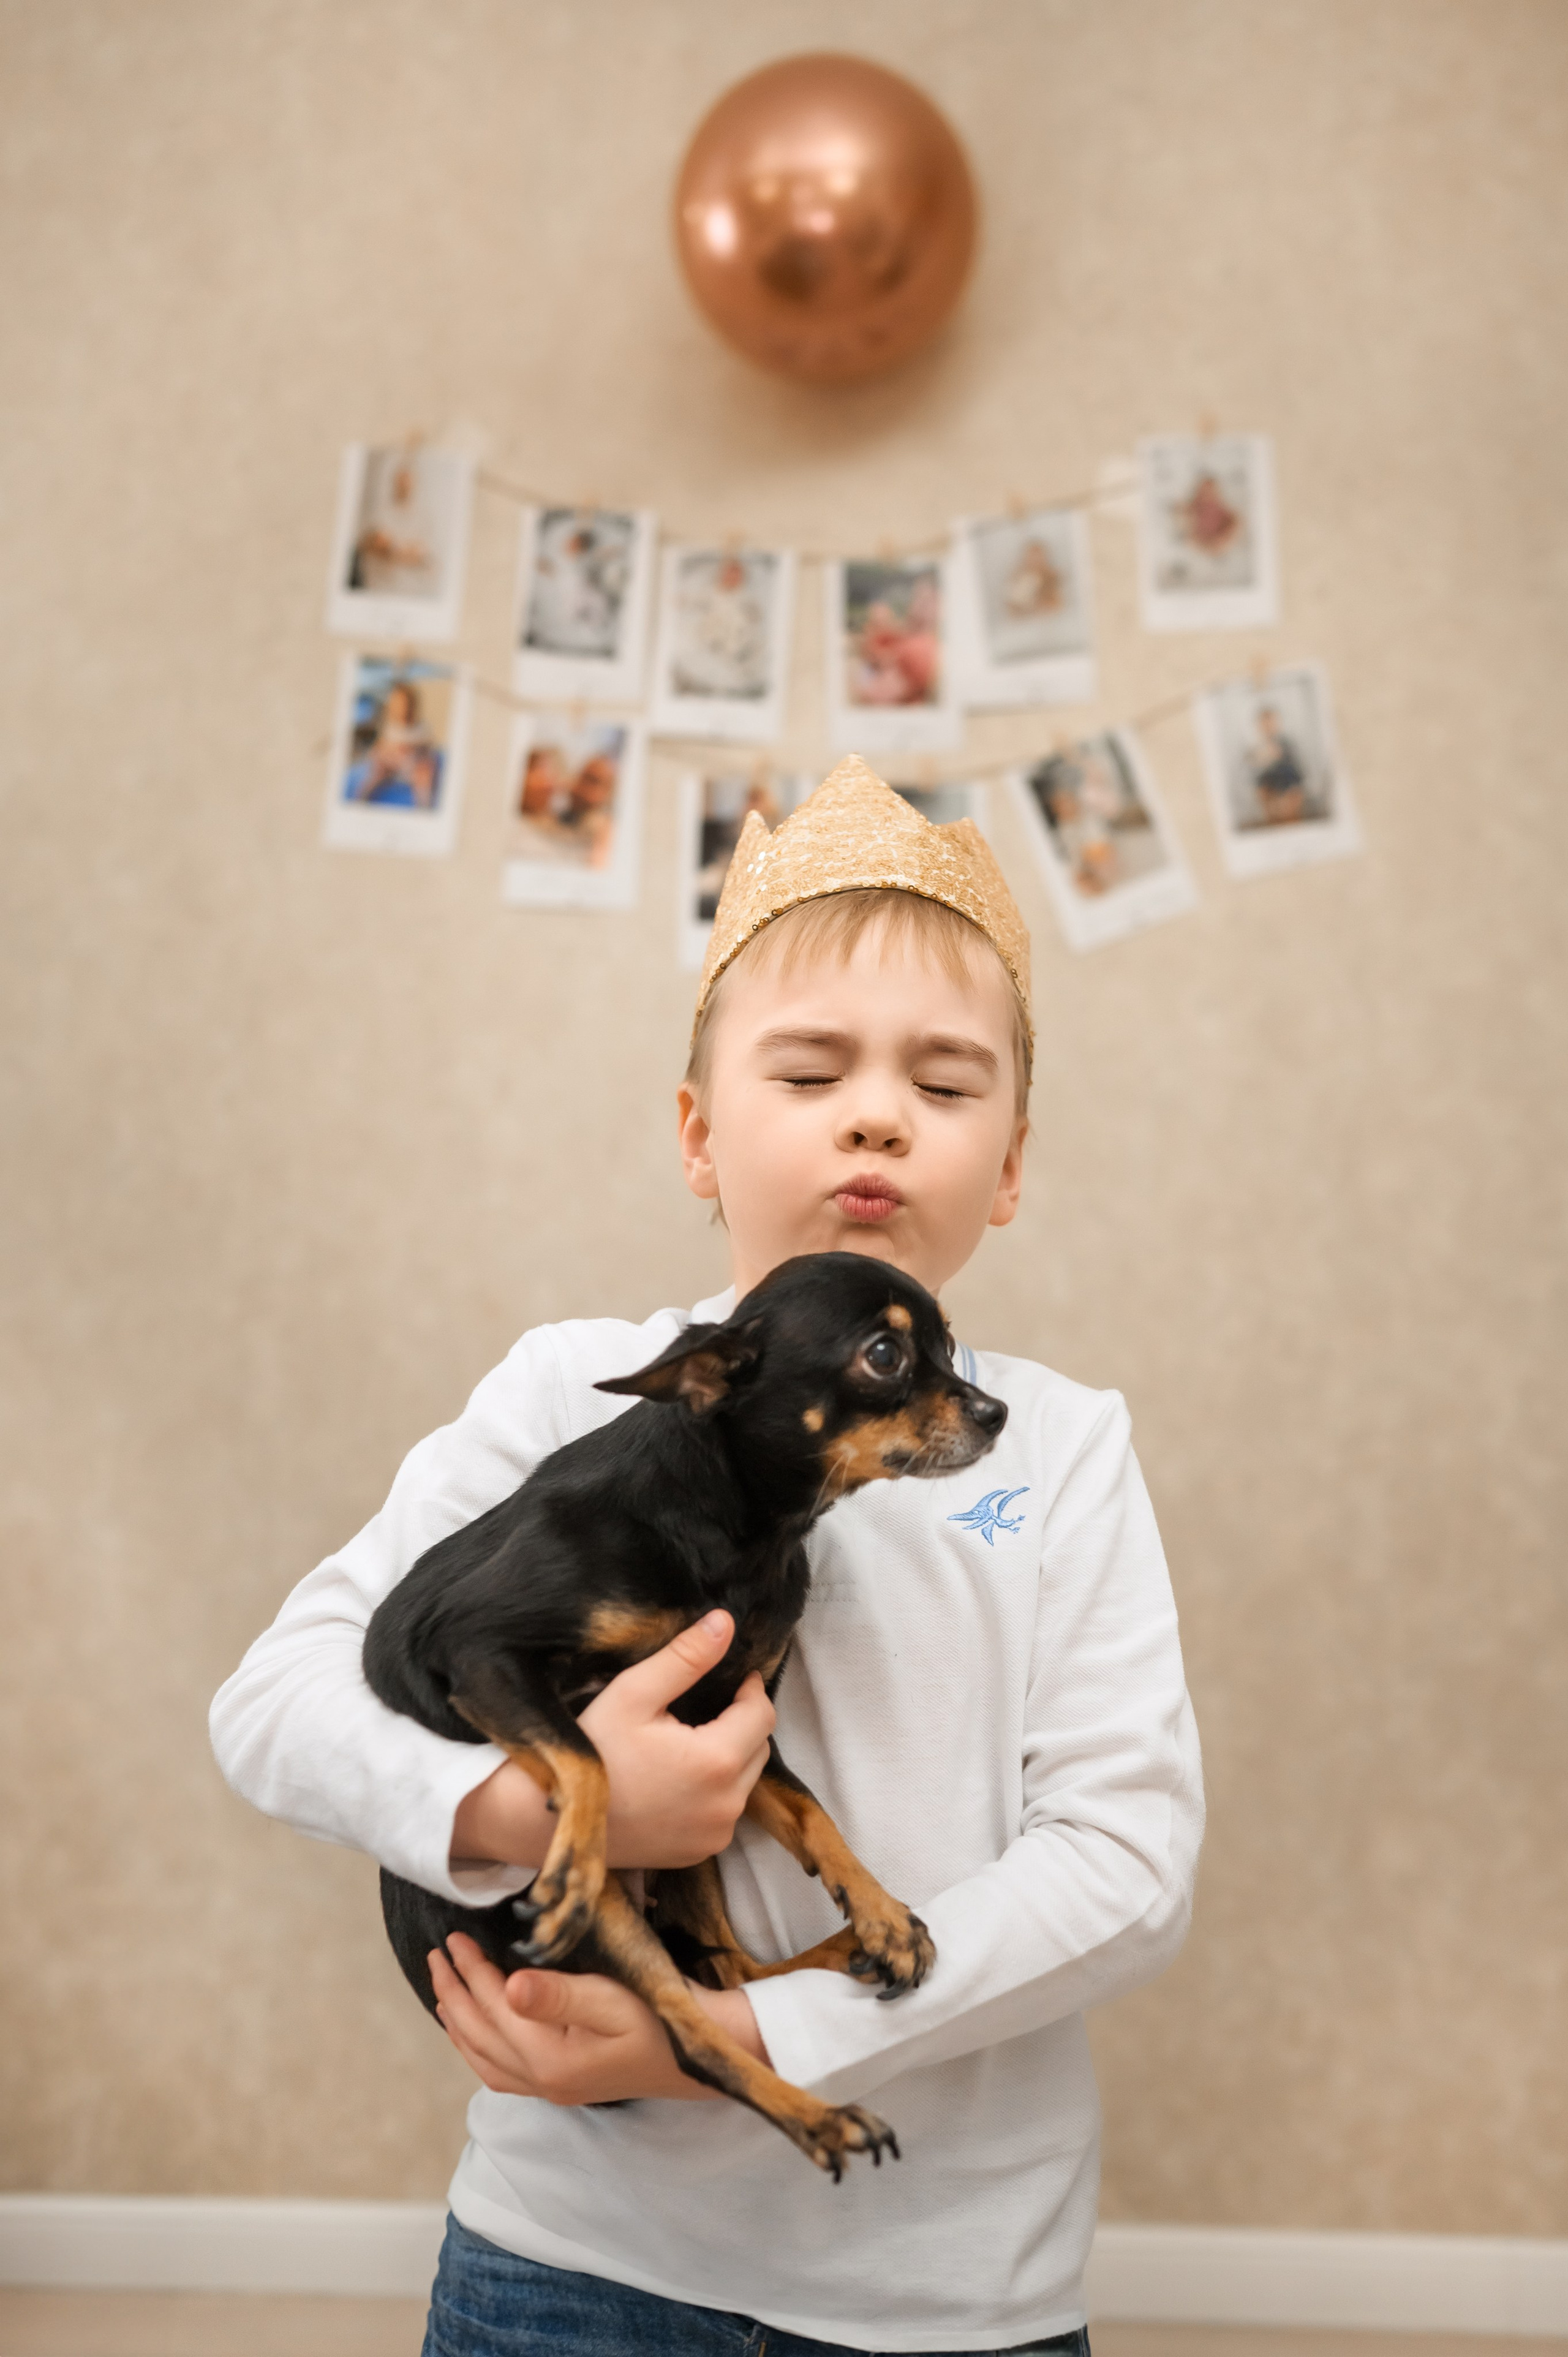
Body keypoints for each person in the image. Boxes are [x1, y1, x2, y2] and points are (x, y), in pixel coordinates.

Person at [211, 755, 1203, 2357]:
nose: (877, 1113)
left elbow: (1127, 1869)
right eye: (809, 1071)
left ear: (1012, 1165)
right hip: (566, 2264)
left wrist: (740, 2033)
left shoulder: (1065, 1451)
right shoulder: (565, 1394)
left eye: (948, 1088)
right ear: (697, 1134)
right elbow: (272, 1707)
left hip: (952, 2298)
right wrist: (537, 1805)